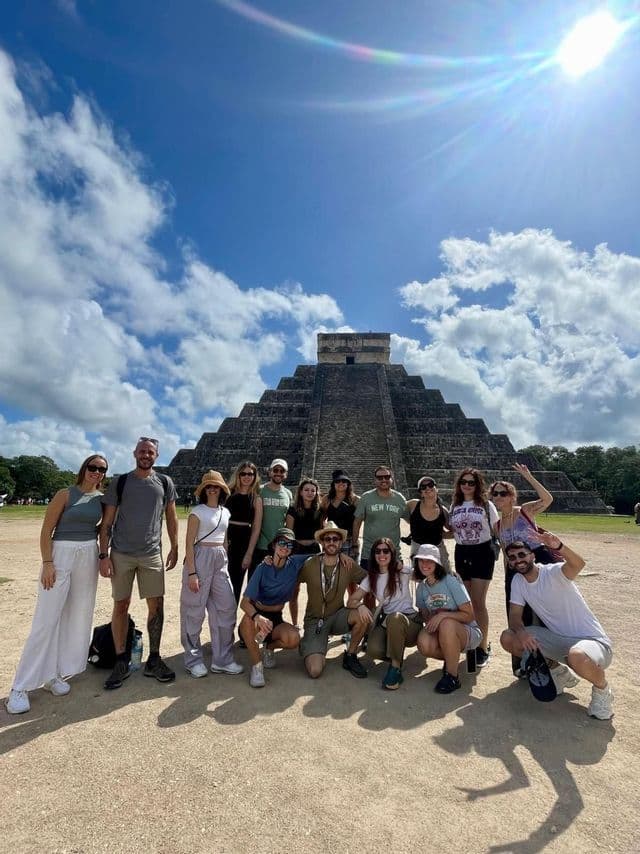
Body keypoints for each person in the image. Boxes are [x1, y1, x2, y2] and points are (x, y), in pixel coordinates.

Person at [6, 455, 108, 714]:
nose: (96, 472)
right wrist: (48, 562)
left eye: (101, 469)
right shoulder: (66, 493)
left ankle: (54, 673)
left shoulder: (102, 498)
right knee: (47, 618)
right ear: (84, 468)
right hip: (61, 554)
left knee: (76, 615)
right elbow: (46, 530)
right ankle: (20, 686)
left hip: (87, 555)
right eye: (93, 467)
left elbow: (102, 528)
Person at [500, 533, 614, 719]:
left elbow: (578, 564)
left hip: (593, 642)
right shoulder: (518, 581)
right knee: (508, 638)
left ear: (532, 556)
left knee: (576, 656)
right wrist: (521, 632)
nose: (518, 560)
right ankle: (557, 672)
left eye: (522, 554)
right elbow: (514, 615)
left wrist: (559, 546)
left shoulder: (553, 572)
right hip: (559, 641)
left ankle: (603, 690)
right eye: (512, 557)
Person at [98, 437, 178, 689]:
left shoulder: (164, 482)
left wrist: (175, 546)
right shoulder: (121, 482)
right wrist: (103, 554)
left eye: (151, 452)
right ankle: (121, 659)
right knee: (121, 604)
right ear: (135, 453)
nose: (146, 455)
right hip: (121, 553)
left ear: (156, 455)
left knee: (157, 606)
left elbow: (172, 517)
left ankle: (154, 658)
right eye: (142, 451)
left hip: (151, 553)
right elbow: (107, 523)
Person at [490, 463, 554, 676]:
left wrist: (529, 476)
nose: (498, 496)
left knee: (547, 612)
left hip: (539, 561)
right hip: (515, 569)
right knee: (517, 615)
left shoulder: (525, 511)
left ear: (512, 496)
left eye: (503, 493)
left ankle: (551, 660)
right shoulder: (497, 525)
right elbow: (504, 551)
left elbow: (548, 499)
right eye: (495, 494)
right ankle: (522, 661)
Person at [180, 470, 243, 678]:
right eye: (209, 486)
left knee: (226, 607)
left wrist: (225, 560)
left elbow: (224, 540)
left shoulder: (226, 512)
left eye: (215, 486)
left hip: (219, 559)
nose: (212, 488)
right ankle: (193, 659)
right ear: (204, 490)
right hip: (200, 557)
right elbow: (189, 543)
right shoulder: (197, 512)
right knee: (194, 610)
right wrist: (192, 573)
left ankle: (222, 659)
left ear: (222, 489)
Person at [347, 538, 421, 690]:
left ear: (392, 553)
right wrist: (360, 606)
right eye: (377, 551)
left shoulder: (402, 571)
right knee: (372, 649)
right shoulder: (371, 578)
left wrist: (448, 572)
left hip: (409, 621)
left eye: (386, 551)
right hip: (388, 623)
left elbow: (425, 574)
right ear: (373, 555)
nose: (382, 554)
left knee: (395, 617)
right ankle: (396, 650)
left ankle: (395, 668)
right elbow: (351, 600)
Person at [298, 522, 369, 679]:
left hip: (338, 616)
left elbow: (369, 579)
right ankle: (309, 643)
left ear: (341, 542)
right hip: (315, 620)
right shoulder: (310, 563)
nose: (331, 542)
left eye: (335, 539)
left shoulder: (347, 564)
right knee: (315, 671)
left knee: (363, 616)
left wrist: (358, 602)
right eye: (327, 539)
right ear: (322, 542)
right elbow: (289, 570)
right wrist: (270, 559)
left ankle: (350, 655)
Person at [415, 544, 483, 694]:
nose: (425, 564)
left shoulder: (450, 581)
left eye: (429, 561)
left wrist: (443, 614)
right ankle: (451, 658)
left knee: (446, 624)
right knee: (424, 643)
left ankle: (452, 676)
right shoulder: (421, 588)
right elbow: (425, 616)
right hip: (443, 632)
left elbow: (469, 614)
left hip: (468, 630)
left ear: (437, 563)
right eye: (421, 560)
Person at [238, 527, 302, 688]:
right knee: (247, 621)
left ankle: (269, 648)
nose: (285, 547)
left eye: (289, 545)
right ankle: (257, 666)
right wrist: (258, 617)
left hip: (276, 619)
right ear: (273, 545)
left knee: (294, 638)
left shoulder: (294, 564)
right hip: (257, 618)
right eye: (281, 542)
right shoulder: (262, 567)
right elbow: (244, 603)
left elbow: (321, 556)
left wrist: (343, 555)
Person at [449, 467, 497, 668]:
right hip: (462, 552)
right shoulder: (455, 504)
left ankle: (482, 647)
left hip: (482, 552)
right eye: (463, 482)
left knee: (478, 602)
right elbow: (452, 531)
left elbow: (497, 530)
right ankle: (470, 641)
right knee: (465, 602)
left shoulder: (486, 505)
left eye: (471, 482)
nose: (467, 485)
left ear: (478, 485)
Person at [352, 465, 406, 569]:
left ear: (392, 478)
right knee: (368, 584)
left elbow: (411, 519)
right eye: (380, 477)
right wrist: (355, 544)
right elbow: (357, 522)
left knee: (393, 585)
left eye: (387, 476)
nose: (384, 480)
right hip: (369, 553)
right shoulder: (366, 498)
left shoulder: (400, 499)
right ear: (375, 480)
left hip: (393, 553)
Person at [286, 476, 323, 626]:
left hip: (314, 552)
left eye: (312, 490)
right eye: (306, 490)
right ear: (300, 492)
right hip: (296, 552)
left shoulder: (319, 511)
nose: (309, 493)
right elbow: (289, 533)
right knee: (294, 591)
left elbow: (321, 531)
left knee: (316, 592)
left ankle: (314, 623)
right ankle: (295, 624)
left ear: (316, 493)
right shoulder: (293, 510)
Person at [226, 460, 263, 604]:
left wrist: (249, 554)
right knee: (222, 585)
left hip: (243, 542)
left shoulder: (256, 499)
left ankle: (231, 622)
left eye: (251, 474)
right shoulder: (228, 494)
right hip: (227, 538)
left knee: (236, 584)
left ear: (255, 476)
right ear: (238, 475)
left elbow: (256, 528)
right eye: (243, 474)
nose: (247, 477)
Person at [405, 475, 451, 570]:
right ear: (421, 493)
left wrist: (439, 534)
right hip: (418, 549)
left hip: (437, 549)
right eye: (423, 487)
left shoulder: (443, 511)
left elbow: (453, 530)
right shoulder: (413, 505)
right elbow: (398, 510)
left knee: (445, 577)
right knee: (420, 579)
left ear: (436, 489)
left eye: (430, 485)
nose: (427, 488)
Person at [255, 459, 293, 566]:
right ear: (270, 471)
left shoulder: (288, 494)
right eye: (276, 470)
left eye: (282, 471)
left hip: (279, 545)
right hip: (261, 544)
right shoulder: (259, 490)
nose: (278, 473)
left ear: (286, 474)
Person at [321, 470, 359, 554]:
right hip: (331, 540)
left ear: (348, 483)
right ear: (333, 484)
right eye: (337, 481)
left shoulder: (355, 500)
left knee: (348, 566)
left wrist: (355, 543)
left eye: (344, 481)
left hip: (349, 540)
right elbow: (322, 519)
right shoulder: (326, 499)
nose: (341, 483)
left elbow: (358, 522)